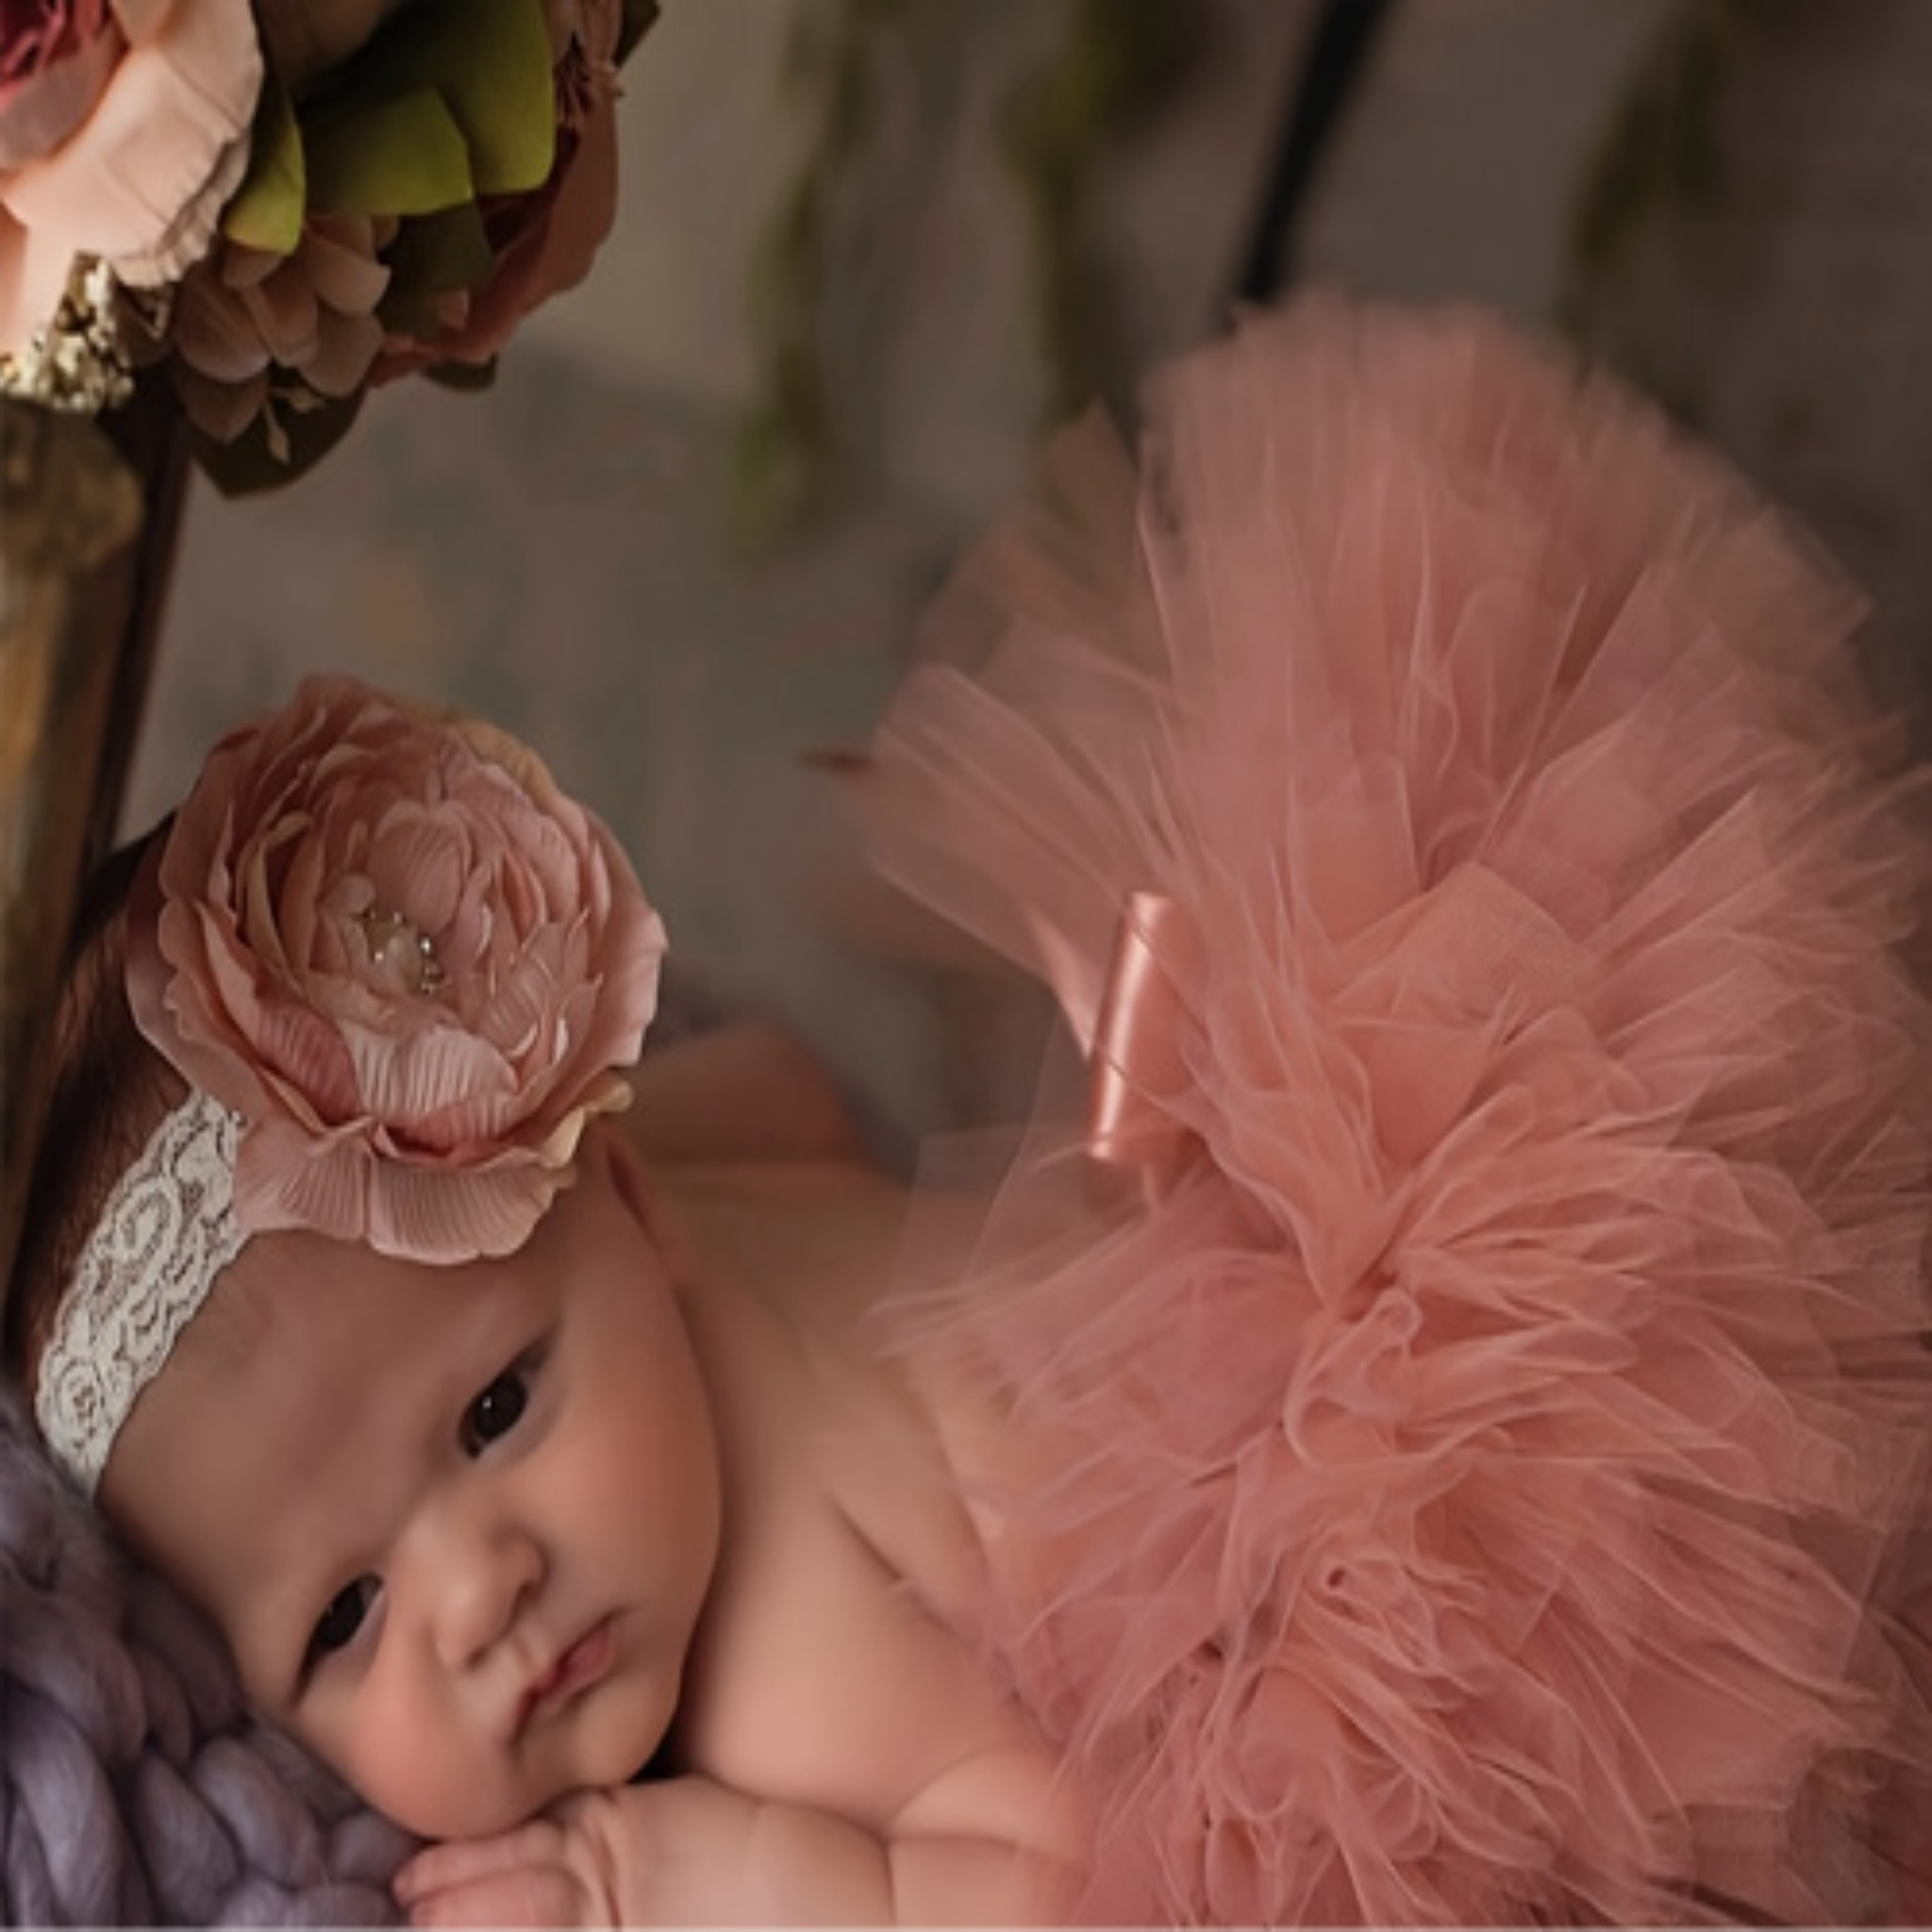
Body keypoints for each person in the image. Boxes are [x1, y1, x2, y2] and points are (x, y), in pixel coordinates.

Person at [8, 295, 1932, 1932]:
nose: (477, 1590)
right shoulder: (681, 1188)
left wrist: (670, 1880)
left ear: (623, 1213)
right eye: (337, 1618)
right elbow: (774, 1099)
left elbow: (1047, 1875)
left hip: (1334, 1616)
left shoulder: (777, 1665)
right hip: (1278, 1278)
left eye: (501, 1407)